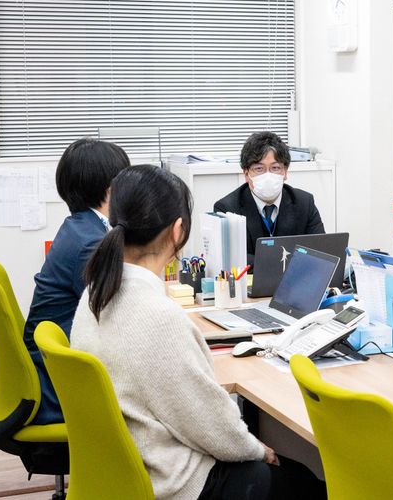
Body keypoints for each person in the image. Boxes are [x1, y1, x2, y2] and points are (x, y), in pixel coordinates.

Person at [72, 165, 326, 500]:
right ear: (178, 231)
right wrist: (259, 449)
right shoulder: (159, 317)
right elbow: (212, 427)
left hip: (125, 470)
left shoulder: (94, 293)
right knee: (310, 482)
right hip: (175, 482)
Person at [24, 137, 130, 424]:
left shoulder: (80, 227)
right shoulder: (90, 243)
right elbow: (117, 318)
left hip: (52, 366)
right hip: (58, 386)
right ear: (111, 189)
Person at [213, 132, 324, 264]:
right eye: (259, 168)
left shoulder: (304, 202)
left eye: (275, 168)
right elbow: (231, 258)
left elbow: (321, 251)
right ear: (246, 174)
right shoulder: (227, 209)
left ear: (285, 171)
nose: (268, 176)